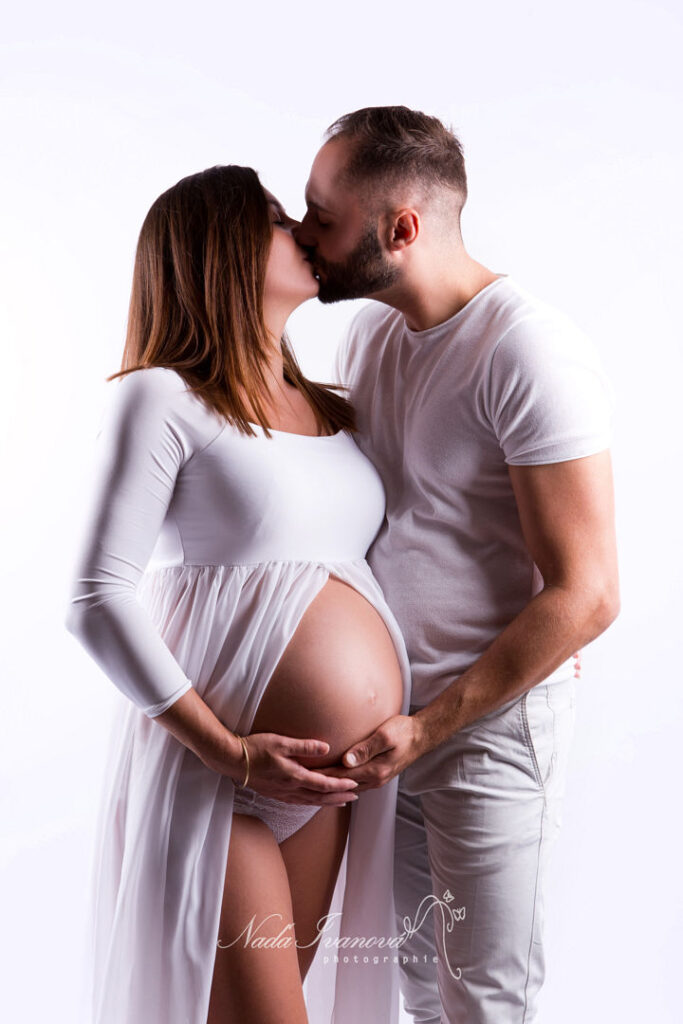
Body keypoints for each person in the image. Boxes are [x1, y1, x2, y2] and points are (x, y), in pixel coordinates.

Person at [63, 165, 414, 1024]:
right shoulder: (165, 398)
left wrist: (541, 617)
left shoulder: (334, 411)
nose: (299, 225)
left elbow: (407, 555)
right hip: (218, 773)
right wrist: (228, 751)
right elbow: (97, 598)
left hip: (324, 787)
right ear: (218, 246)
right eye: (271, 216)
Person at [293, 106, 620, 1023]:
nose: (302, 230)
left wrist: (431, 726)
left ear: (400, 230)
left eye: (323, 214)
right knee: (420, 991)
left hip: (481, 731)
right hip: (388, 722)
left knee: (484, 996)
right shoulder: (370, 335)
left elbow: (589, 593)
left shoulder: (527, 351)